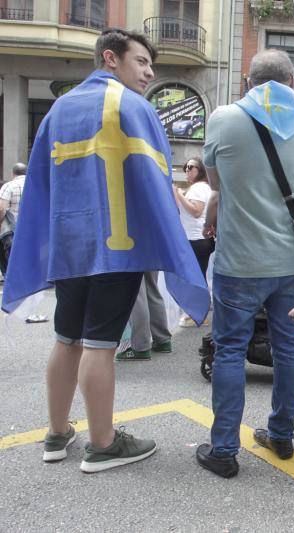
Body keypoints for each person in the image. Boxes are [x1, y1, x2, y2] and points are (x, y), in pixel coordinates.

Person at [1, 29, 209, 472]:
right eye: (141, 63)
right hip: (120, 245)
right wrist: (167, 247)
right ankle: (102, 443)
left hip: (71, 246)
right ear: (110, 58)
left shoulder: (58, 109)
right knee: (100, 344)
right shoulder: (135, 107)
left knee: (66, 337)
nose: (149, 73)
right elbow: (154, 183)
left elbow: (40, 184)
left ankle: (56, 435)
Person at [196, 49, 294, 478]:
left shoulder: (225, 118)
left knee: (230, 349)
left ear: (248, 83)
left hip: (238, 260)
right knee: (288, 346)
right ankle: (281, 434)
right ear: (291, 82)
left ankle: (224, 450)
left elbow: (215, 183)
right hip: (290, 262)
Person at [174, 157, 214, 327]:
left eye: (191, 167)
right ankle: (198, 312)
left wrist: (179, 194)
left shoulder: (198, 188)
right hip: (200, 238)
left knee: (195, 277)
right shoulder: (204, 187)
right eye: (186, 167)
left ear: (201, 170)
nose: (187, 171)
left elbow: (196, 211)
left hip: (196, 238)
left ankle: (198, 314)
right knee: (198, 275)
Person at [0, 163, 27, 278]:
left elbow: (1, 209)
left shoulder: (9, 186)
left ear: (13, 173)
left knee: (9, 254)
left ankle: (11, 277)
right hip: (31, 227)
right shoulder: (35, 185)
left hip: (11, 229)